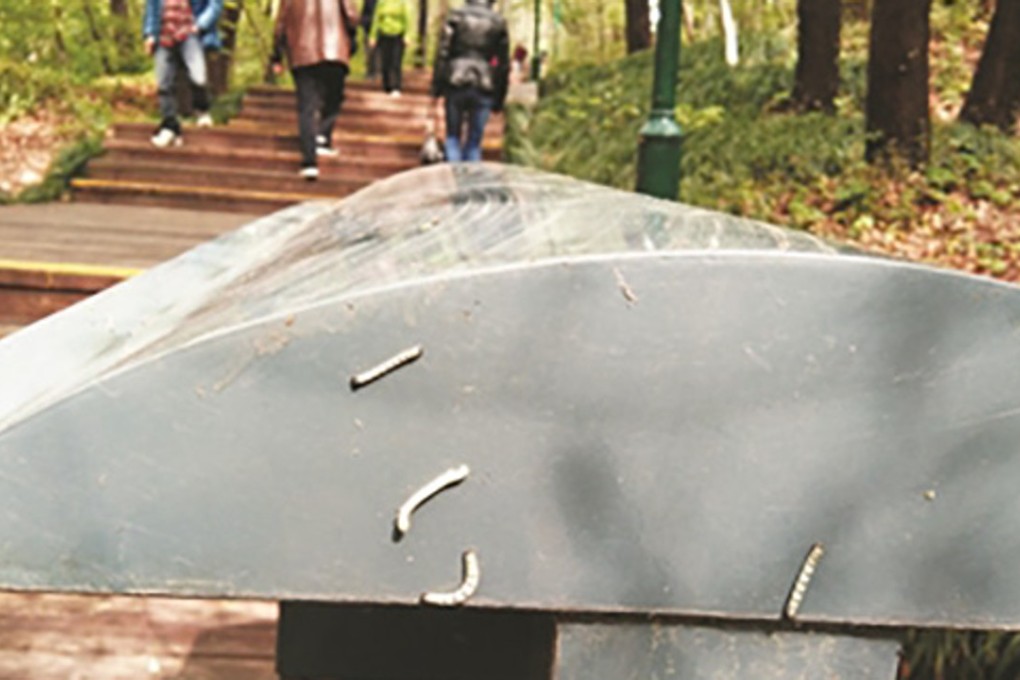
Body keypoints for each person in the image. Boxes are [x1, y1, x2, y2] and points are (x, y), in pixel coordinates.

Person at [271, 0, 359, 180]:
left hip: (302, 53)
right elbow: (351, 16)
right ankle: (323, 137)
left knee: (307, 106)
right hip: (335, 51)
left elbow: (281, 23)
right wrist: (352, 38)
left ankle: (309, 162)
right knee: (334, 99)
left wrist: (277, 55)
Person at [430, 0, 509, 162]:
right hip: (484, 84)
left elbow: (443, 54)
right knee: (474, 143)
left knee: (452, 137)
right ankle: (468, 184)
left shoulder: (456, 16)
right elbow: (503, 65)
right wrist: (499, 99)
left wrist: (436, 88)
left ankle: (453, 178)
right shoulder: (498, 22)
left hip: (455, 81)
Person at [143, 0, 224, 148]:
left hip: (189, 33)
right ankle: (169, 126)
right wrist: (149, 34)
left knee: (198, 77)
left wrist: (200, 25)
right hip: (163, 36)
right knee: (164, 84)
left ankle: (202, 110)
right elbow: (151, 8)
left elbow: (215, 5)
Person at [368, 0, 409, 97]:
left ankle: (396, 86)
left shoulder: (402, 3)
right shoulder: (381, 3)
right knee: (385, 61)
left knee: (396, 61)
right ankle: (386, 85)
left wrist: (408, 35)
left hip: (398, 35)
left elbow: (407, 19)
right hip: (384, 34)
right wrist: (372, 36)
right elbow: (376, 20)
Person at [360, 0, 381, 80]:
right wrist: (363, 22)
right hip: (368, 27)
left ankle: (378, 72)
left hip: (381, 28)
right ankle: (370, 72)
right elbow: (364, 12)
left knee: (379, 51)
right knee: (369, 51)